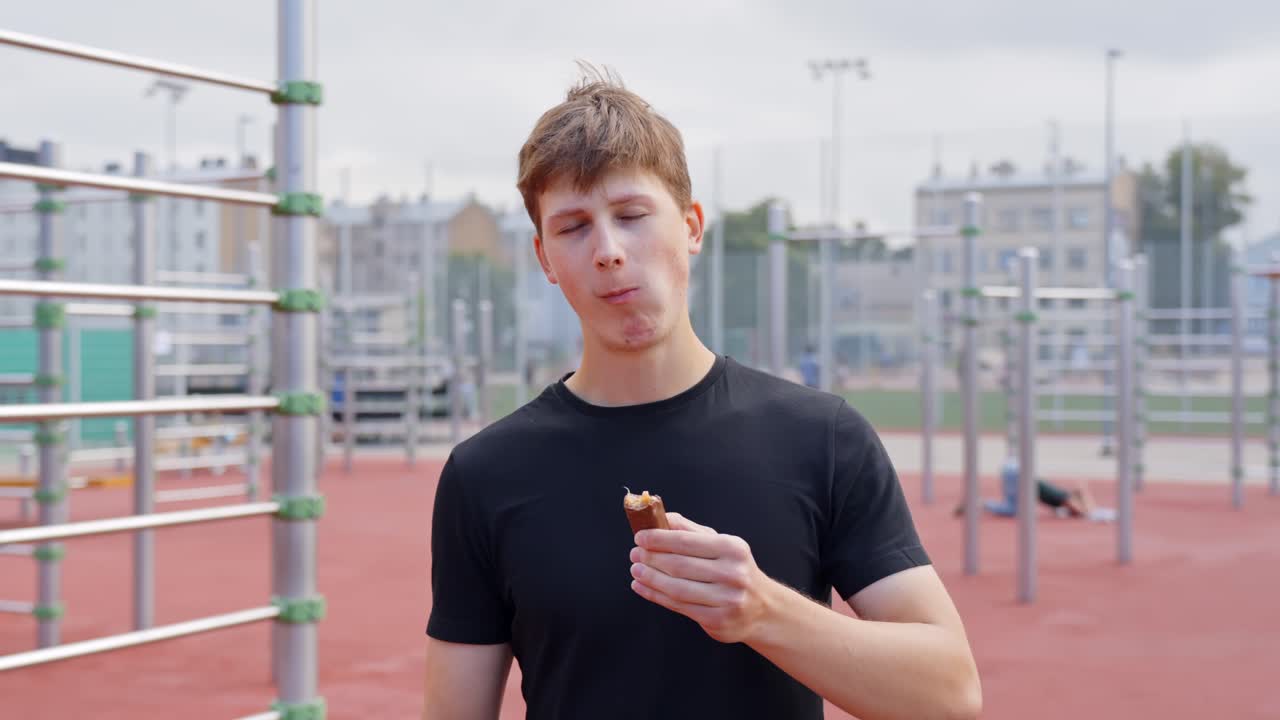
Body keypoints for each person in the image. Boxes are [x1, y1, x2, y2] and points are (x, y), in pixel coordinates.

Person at [422, 66, 981, 720]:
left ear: (691, 227)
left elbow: (950, 695)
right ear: (545, 258)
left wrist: (763, 611)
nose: (608, 250)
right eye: (573, 227)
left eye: (631, 215)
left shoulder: (822, 438)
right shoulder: (485, 475)